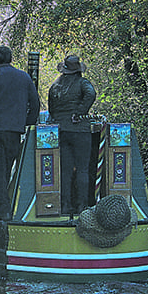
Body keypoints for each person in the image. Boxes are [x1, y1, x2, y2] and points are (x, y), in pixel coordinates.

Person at [0, 45, 40, 220]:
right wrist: (26, 124)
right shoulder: (24, 78)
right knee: (4, 171)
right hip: (14, 132)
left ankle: (4, 210)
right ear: (11, 59)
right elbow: (35, 105)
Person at [48, 54, 96, 218]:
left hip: (61, 131)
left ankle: (65, 206)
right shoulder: (83, 83)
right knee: (82, 169)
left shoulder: (55, 85)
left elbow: (51, 108)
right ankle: (82, 207)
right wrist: (81, 111)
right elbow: (91, 94)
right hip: (80, 131)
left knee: (65, 171)